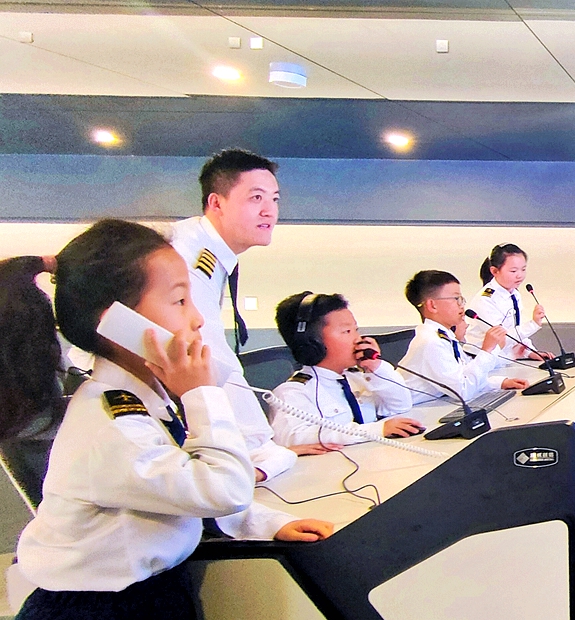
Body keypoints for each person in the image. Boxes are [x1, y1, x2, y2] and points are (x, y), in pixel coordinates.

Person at [0, 220, 331, 620]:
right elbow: (223, 489)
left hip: (146, 594)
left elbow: (181, 491)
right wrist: (201, 393)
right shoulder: (112, 425)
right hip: (99, 609)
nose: (198, 319)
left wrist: (263, 523)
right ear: (119, 323)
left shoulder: (146, 401)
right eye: (180, 301)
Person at [169, 149, 316, 483]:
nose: (269, 211)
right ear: (216, 203)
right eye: (255, 198)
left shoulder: (207, 248)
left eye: (274, 199)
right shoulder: (190, 256)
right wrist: (260, 445)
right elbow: (209, 354)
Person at [271, 292, 424, 446]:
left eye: (356, 330)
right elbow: (293, 437)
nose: (358, 339)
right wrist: (376, 430)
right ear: (312, 343)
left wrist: (376, 367)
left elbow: (400, 405)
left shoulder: (358, 378)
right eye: (347, 332)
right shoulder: (293, 392)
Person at [398, 270, 528, 404]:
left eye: (461, 299)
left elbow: (464, 375)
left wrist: (499, 383)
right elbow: (462, 391)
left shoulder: (445, 337)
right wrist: (487, 350)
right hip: (407, 411)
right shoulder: (431, 342)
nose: (462, 305)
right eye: (456, 299)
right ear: (432, 305)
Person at [466, 244, 553, 361]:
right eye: (513, 271)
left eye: (523, 269)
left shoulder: (514, 294)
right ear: (495, 271)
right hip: (480, 360)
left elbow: (515, 328)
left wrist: (530, 351)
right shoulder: (485, 300)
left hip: (505, 358)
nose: (520, 275)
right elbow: (501, 338)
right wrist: (533, 324)